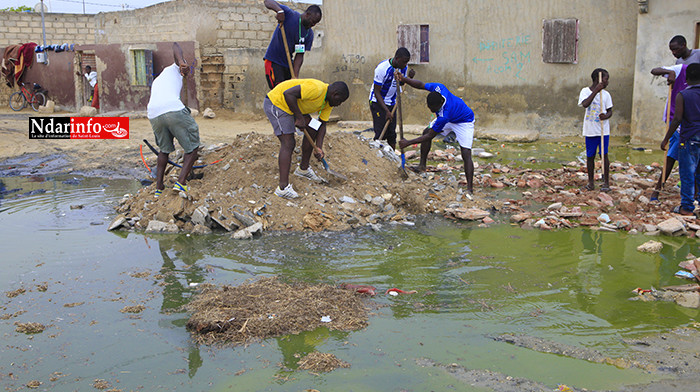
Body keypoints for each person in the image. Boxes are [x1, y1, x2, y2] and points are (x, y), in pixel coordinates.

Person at [264, 79, 349, 198]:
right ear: (335, 94)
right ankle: (282, 188)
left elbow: (322, 125)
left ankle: (303, 169)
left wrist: (318, 147)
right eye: (339, 101)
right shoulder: (317, 89)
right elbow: (288, 94)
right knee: (288, 143)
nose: (339, 104)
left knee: (314, 127)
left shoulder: (328, 103)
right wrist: (299, 117)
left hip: (293, 107)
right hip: (278, 103)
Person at [396, 74, 476, 198]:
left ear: (438, 105)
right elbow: (421, 85)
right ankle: (422, 166)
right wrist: (404, 79)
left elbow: (430, 136)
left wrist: (408, 142)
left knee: (466, 152)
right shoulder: (439, 88)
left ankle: (470, 189)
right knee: (425, 131)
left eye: (432, 109)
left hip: (464, 120)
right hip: (452, 116)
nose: (430, 110)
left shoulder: (444, 115)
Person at [147, 42, 200, 198]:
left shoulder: (159, 80)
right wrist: (182, 62)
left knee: (164, 150)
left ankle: (159, 187)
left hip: (153, 113)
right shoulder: (175, 68)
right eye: (186, 69)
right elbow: (176, 47)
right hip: (172, 109)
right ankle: (181, 183)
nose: (187, 72)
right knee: (192, 147)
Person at [661, 63, 700, 216]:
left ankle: (687, 207)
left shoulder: (683, 95)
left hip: (689, 138)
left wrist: (666, 139)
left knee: (687, 174)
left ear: (686, 77)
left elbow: (677, 118)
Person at [649, 62, 690, 200]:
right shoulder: (681, 69)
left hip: (693, 123)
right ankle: (658, 188)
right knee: (672, 154)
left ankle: (691, 193)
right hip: (677, 119)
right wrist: (671, 73)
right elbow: (654, 69)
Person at [263, 0, 321, 89]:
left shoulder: (308, 34)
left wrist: (295, 76)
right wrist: (279, 11)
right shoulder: (290, 15)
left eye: (315, 23)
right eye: (312, 21)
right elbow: (267, 1)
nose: (313, 24)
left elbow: (299, 55)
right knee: (278, 92)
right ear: (307, 14)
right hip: (273, 61)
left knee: (289, 92)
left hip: (288, 64)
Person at [369, 47, 415, 150]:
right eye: (404, 62)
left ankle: (392, 158)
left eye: (406, 62)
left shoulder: (403, 67)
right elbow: (377, 92)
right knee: (381, 132)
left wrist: (409, 78)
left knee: (391, 134)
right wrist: (386, 111)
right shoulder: (382, 69)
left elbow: (401, 82)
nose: (405, 64)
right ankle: (377, 156)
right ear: (397, 58)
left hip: (392, 102)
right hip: (378, 103)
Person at [578, 68, 613, 192]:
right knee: (590, 156)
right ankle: (591, 182)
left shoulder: (606, 95)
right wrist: (596, 91)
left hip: (603, 131)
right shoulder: (585, 91)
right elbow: (585, 104)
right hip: (590, 130)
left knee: (604, 156)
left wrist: (606, 116)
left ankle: (606, 183)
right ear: (597, 79)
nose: (607, 82)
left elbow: (610, 111)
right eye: (605, 79)